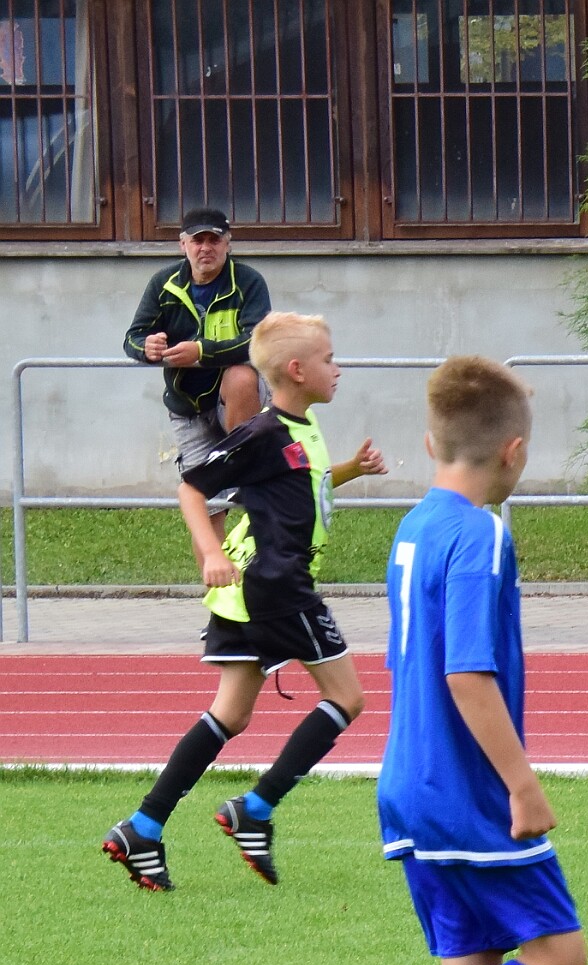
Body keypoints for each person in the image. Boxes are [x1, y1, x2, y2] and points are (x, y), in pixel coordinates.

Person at [339, 356, 588, 965]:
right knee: (560, 953)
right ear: (514, 450)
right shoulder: (481, 533)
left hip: (410, 780)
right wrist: (522, 784)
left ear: (429, 442)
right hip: (466, 789)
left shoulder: (416, 523)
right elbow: (467, 673)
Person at [101, 313, 388, 891]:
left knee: (231, 715)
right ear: (297, 370)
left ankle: (142, 827)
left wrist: (349, 471)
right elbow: (191, 487)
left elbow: (299, 485)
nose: (338, 368)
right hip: (277, 584)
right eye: (329, 359)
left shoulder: (300, 428)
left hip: (246, 594)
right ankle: (254, 809)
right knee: (347, 698)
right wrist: (209, 550)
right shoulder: (263, 433)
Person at [123, 207, 272, 471]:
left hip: (236, 399)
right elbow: (133, 337)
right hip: (187, 407)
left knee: (240, 377)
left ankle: (244, 464)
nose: (206, 248)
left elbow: (257, 342)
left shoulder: (249, 281)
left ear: (227, 244)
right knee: (201, 492)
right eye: (197, 240)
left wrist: (201, 352)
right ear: (183, 245)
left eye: (214, 240)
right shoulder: (163, 283)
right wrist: (147, 348)